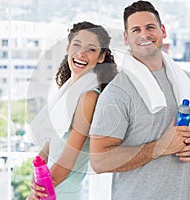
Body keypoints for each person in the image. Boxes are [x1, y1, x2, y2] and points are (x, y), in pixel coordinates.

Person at [89, 1, 190, 200]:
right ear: (126, 38)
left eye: (150, 27)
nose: (144, 35)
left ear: (162, 31)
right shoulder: (118, 92)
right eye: (136, 30)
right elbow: (99, 161)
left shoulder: (186, 82)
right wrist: (159, 148)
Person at [27, 21, 118, 200]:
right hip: (46, 190)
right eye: (77, 45)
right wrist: (34, 186)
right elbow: (47, 149)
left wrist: (36, 194)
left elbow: (68, 161)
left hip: (60, 193)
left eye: (91, 49)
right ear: (68, 47)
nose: (81, 53)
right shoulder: (65, 91)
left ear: (101, 57)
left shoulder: (89, 97)